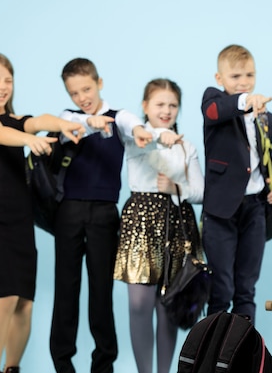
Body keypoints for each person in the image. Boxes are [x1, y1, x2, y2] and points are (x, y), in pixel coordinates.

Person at [0, 52, 85, 373]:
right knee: (6, 296)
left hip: (20, 222)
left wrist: (66, 124)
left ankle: (13, 368)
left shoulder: (18, 120)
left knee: (25, 303)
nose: (2, 87)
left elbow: (40, 120)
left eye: (8, 81)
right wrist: (28, 139)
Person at [49, 58, 153, 373]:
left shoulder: (118, 116)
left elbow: (129, 122)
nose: (82, 97)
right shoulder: (68, 118)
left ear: (99, 83)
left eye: (86, 89)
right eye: (74, 93)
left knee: (101, 292)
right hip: (68, 211)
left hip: (105, 214)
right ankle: (62, 362)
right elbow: (66, 129)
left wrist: (137, 129)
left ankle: (103, 363)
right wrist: (86, 123)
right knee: (65, 289)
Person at [114, 78, 204, 373]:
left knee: (168, 304)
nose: (166, 111)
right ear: (145, 106)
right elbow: (120, 120)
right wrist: (155, 135)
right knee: (139, 303)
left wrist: (177, 187)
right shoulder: (135, 137)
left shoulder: (186, 146)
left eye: (173, 105)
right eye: (159, 104)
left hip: (176, 223)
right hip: (140, 220)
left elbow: (201, 192)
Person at [200, 44, 272, 324]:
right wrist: (245, 101)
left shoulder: (266, 118)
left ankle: (240, 355)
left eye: (249, 75)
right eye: (235, 76)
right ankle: (211, 357)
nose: (244, 82)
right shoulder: (215, 102)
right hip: (221, 211)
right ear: (219, 79)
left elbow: (268, 157)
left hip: (255, 210)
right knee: (221, 289)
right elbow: (214, 111)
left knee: (246, 290)